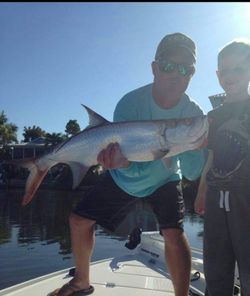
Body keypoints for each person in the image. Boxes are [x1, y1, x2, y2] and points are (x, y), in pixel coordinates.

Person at [50, 32, 206, 296]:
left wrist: (196, 145)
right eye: (169, 65)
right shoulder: (130, 103)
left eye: (186, 69)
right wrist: (121, 166)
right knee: (79, 220)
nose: (176, 74)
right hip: (124, 176)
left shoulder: (194, 115)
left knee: (173, 232)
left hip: (165, 178)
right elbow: (131, 167)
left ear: (192, 74)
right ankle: (81, 281)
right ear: (154, 68)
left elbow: (191, 172)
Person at [195, 38, 250, 295]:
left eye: (239, 69)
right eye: (225, 70)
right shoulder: (213, 117)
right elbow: (212, 156)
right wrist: (201, 191)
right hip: (216, 200)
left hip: (246, 199)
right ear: (217, 74)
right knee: (216, 270)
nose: (230, 76)